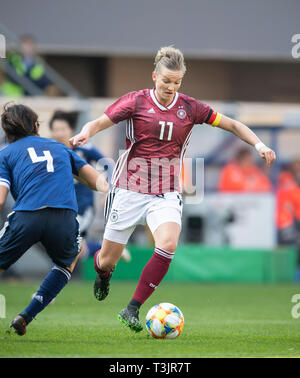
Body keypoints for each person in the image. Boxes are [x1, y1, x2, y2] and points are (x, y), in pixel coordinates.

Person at [70, 46, 276, 332]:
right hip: (128, 189)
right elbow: (101, 121)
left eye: (177, 82)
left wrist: (259, 144)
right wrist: (85, 133)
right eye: (166, 81)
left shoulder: (190, 108)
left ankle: (132, 308)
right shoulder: (136, 101)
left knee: (167, 244)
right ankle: (103, 273)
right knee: (107, 259)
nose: (171, 87)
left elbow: (230, 124)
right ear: (155, 76)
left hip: (166, 191)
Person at [0, 103, 108, 335]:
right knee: (66, 263)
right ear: (36, 126)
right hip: (64, 216)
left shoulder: (5, 154)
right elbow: (96, 180)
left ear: (7, 132)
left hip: (28, 214)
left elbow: (0, 199)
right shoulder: (60, 148)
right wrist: (109, 189)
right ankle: (27, 315)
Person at [49, 110, 131, 262]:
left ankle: (60, 277)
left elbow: (109, 165)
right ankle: (102, 248)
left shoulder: (84, 149)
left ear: (71, 130)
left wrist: (110, 190)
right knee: (72, 246)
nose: (59, 133)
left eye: (63, 129)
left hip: (82, 205)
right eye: (55, 130)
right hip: (60, 206)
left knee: (69, 244)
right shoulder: (49, 152)